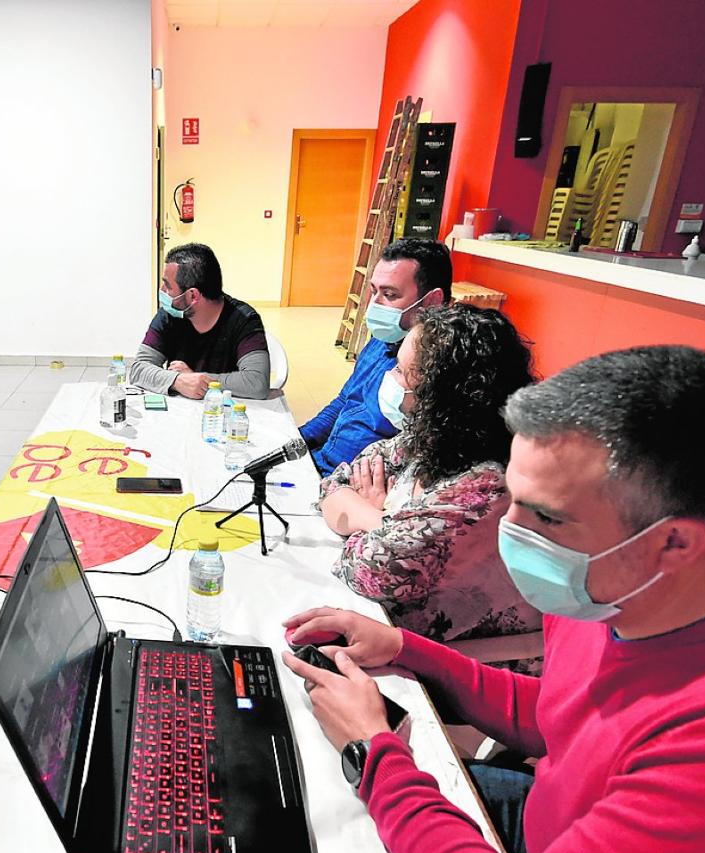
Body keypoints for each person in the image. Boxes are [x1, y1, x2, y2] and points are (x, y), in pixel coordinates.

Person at [280, 345, 705, 853]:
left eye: (545, 518)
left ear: (674, 541)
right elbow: (556, 711)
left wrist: (371, 752)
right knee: (310, 814)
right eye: (513, 500)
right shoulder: (629, 586)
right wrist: (406, 650)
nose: (509, 531)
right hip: (553, 824)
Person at [319, 304, 540, 647]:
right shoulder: (432, 437)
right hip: (394, 632)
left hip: (460, 669)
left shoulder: (484, 489)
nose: (390, 380)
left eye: (403, 373)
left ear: (439, 395)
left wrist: (377, 518)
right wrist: (384, 520)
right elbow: (337, 483)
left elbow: (364, 569)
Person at [299, 238, 451, 474]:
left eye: (389, 295)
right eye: (373, 291)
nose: (375, 304)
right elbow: (345, 400)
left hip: (353, 486)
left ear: (431, 301)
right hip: (321, 464)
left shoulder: (440, 367)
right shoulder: (382, 339)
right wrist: (297, 440)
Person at [128, 243, 270, 400]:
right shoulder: (168, 315)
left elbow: (257, 383)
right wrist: (178, 380)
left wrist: (198, 379)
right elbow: (138, 369)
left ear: (193, 295)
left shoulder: (244, 320)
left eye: (168, 285)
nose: (162, 291)